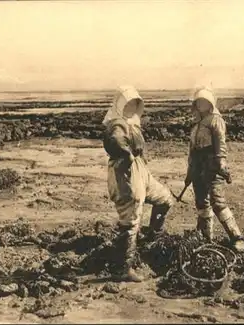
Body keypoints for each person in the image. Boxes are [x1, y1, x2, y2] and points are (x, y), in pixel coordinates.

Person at [102, 85, 174, 282]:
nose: (131, 107)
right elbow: (116, 142)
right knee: (131, 220)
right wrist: (127, 156)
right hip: (126, 175)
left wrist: (138, 160)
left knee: (165, 199)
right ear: (119, 104)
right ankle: (123, 267)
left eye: (134, 104)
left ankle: (153, 238)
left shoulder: (132, 123)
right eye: (127, 104)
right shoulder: (117, 124)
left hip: (141, 173)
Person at [185, 86, 244, 252]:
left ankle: (237, 237)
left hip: (212, 164)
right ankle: (206, 238)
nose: (202, 105)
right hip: (198, 165)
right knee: (201, 202)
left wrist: (221, 162)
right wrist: (190, 171)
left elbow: (221, 143)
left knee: (218, 202)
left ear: (211, 103)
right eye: (199, 102)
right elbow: (192, 150)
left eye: (205, 102)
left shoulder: (215, 120)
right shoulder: (196, 124)